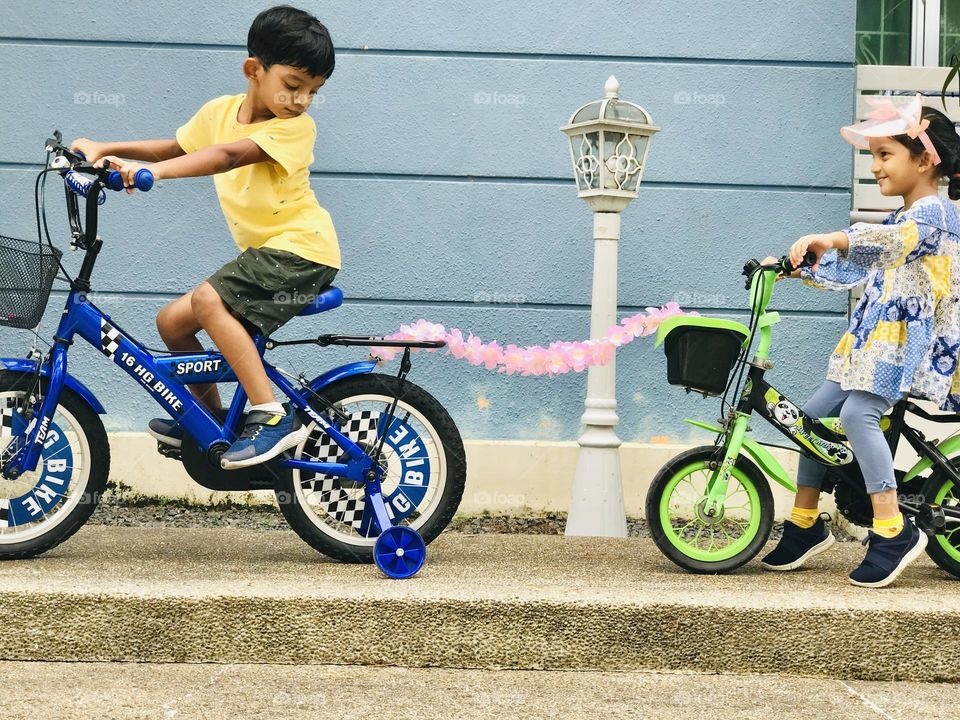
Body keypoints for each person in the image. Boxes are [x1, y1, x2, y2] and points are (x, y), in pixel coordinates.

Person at [70, 5, 340, 469]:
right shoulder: (220, 112)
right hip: (270, 255)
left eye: (312, 92)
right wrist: (106, 148)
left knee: (206, 301)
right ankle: (208, 420)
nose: (301, 100)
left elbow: (226, 156)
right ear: (253, 70)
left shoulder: (294, 128)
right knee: (172, 323)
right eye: (294, 86)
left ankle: (270, 413)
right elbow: (177, 148)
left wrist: (148, 174)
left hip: (303, 253)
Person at [759, 93, 960, 587]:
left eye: (884, 154)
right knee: (811, 420)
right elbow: (855, 263)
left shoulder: (933, 216)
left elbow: (882, 243)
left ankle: (893, 530)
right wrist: (792, 267)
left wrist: (833, 236)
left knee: (855, 414)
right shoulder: (903, 218)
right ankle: (805, 523)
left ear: (924, 159)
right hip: (872, 346)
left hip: (909, 346)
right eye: (873, 156)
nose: (874, 167)